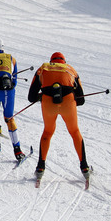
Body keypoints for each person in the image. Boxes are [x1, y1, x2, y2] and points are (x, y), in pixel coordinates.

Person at [26, 52, 89, 180]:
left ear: (51, 61)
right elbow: (81, 100)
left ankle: (40, 168)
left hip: (48, 103)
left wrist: (41, 96)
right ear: (63, 61)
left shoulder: (42, 68)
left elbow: (31, 97)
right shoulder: (71, 69)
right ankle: (85, 168)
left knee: (48, 132)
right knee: (75, 131)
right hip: (68, 102)